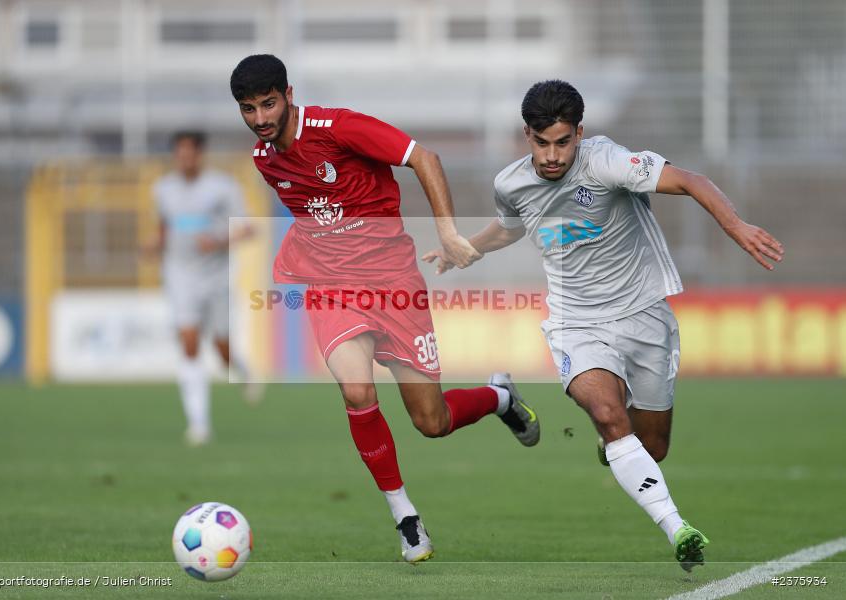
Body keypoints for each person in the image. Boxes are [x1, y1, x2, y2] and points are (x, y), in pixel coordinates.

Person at [423, 80, 784, 571]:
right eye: (542, 142)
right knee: (611, 416)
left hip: (643, 315)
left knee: (651, 446)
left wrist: (735, 226)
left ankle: (614, 445)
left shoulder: (608, 162)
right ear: (526, 135)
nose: (553, 155)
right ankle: (679, 529)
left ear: (580, 134)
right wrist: (462, 249)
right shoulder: (510, 184)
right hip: (576, 321)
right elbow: (511, 227)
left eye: (564, 141)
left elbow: (692, 181)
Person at [229, 54, 540, 563]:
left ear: (288, 93)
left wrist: (446, 231)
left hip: (394, 284)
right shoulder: (265, 160)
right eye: (249, 109)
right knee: (356, 390)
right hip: (332, 288)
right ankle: (405, 516)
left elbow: (426, 159)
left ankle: (499, 398)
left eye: (268, 104)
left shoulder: (339, 127)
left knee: (431, 421)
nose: (261, 118)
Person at [147, 131, 256, 446]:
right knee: (189, 341)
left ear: (200, 154)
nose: (184, 158)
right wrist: (154, 244)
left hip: (217, 276)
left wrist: (218, 241)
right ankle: (199, 424)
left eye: (189, 152)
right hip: (180, 274)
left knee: (222, 350)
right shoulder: (163, 189)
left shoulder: (223, 187)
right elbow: (165, 227)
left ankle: (242, 369)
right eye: (179, 152)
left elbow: (248, 228)